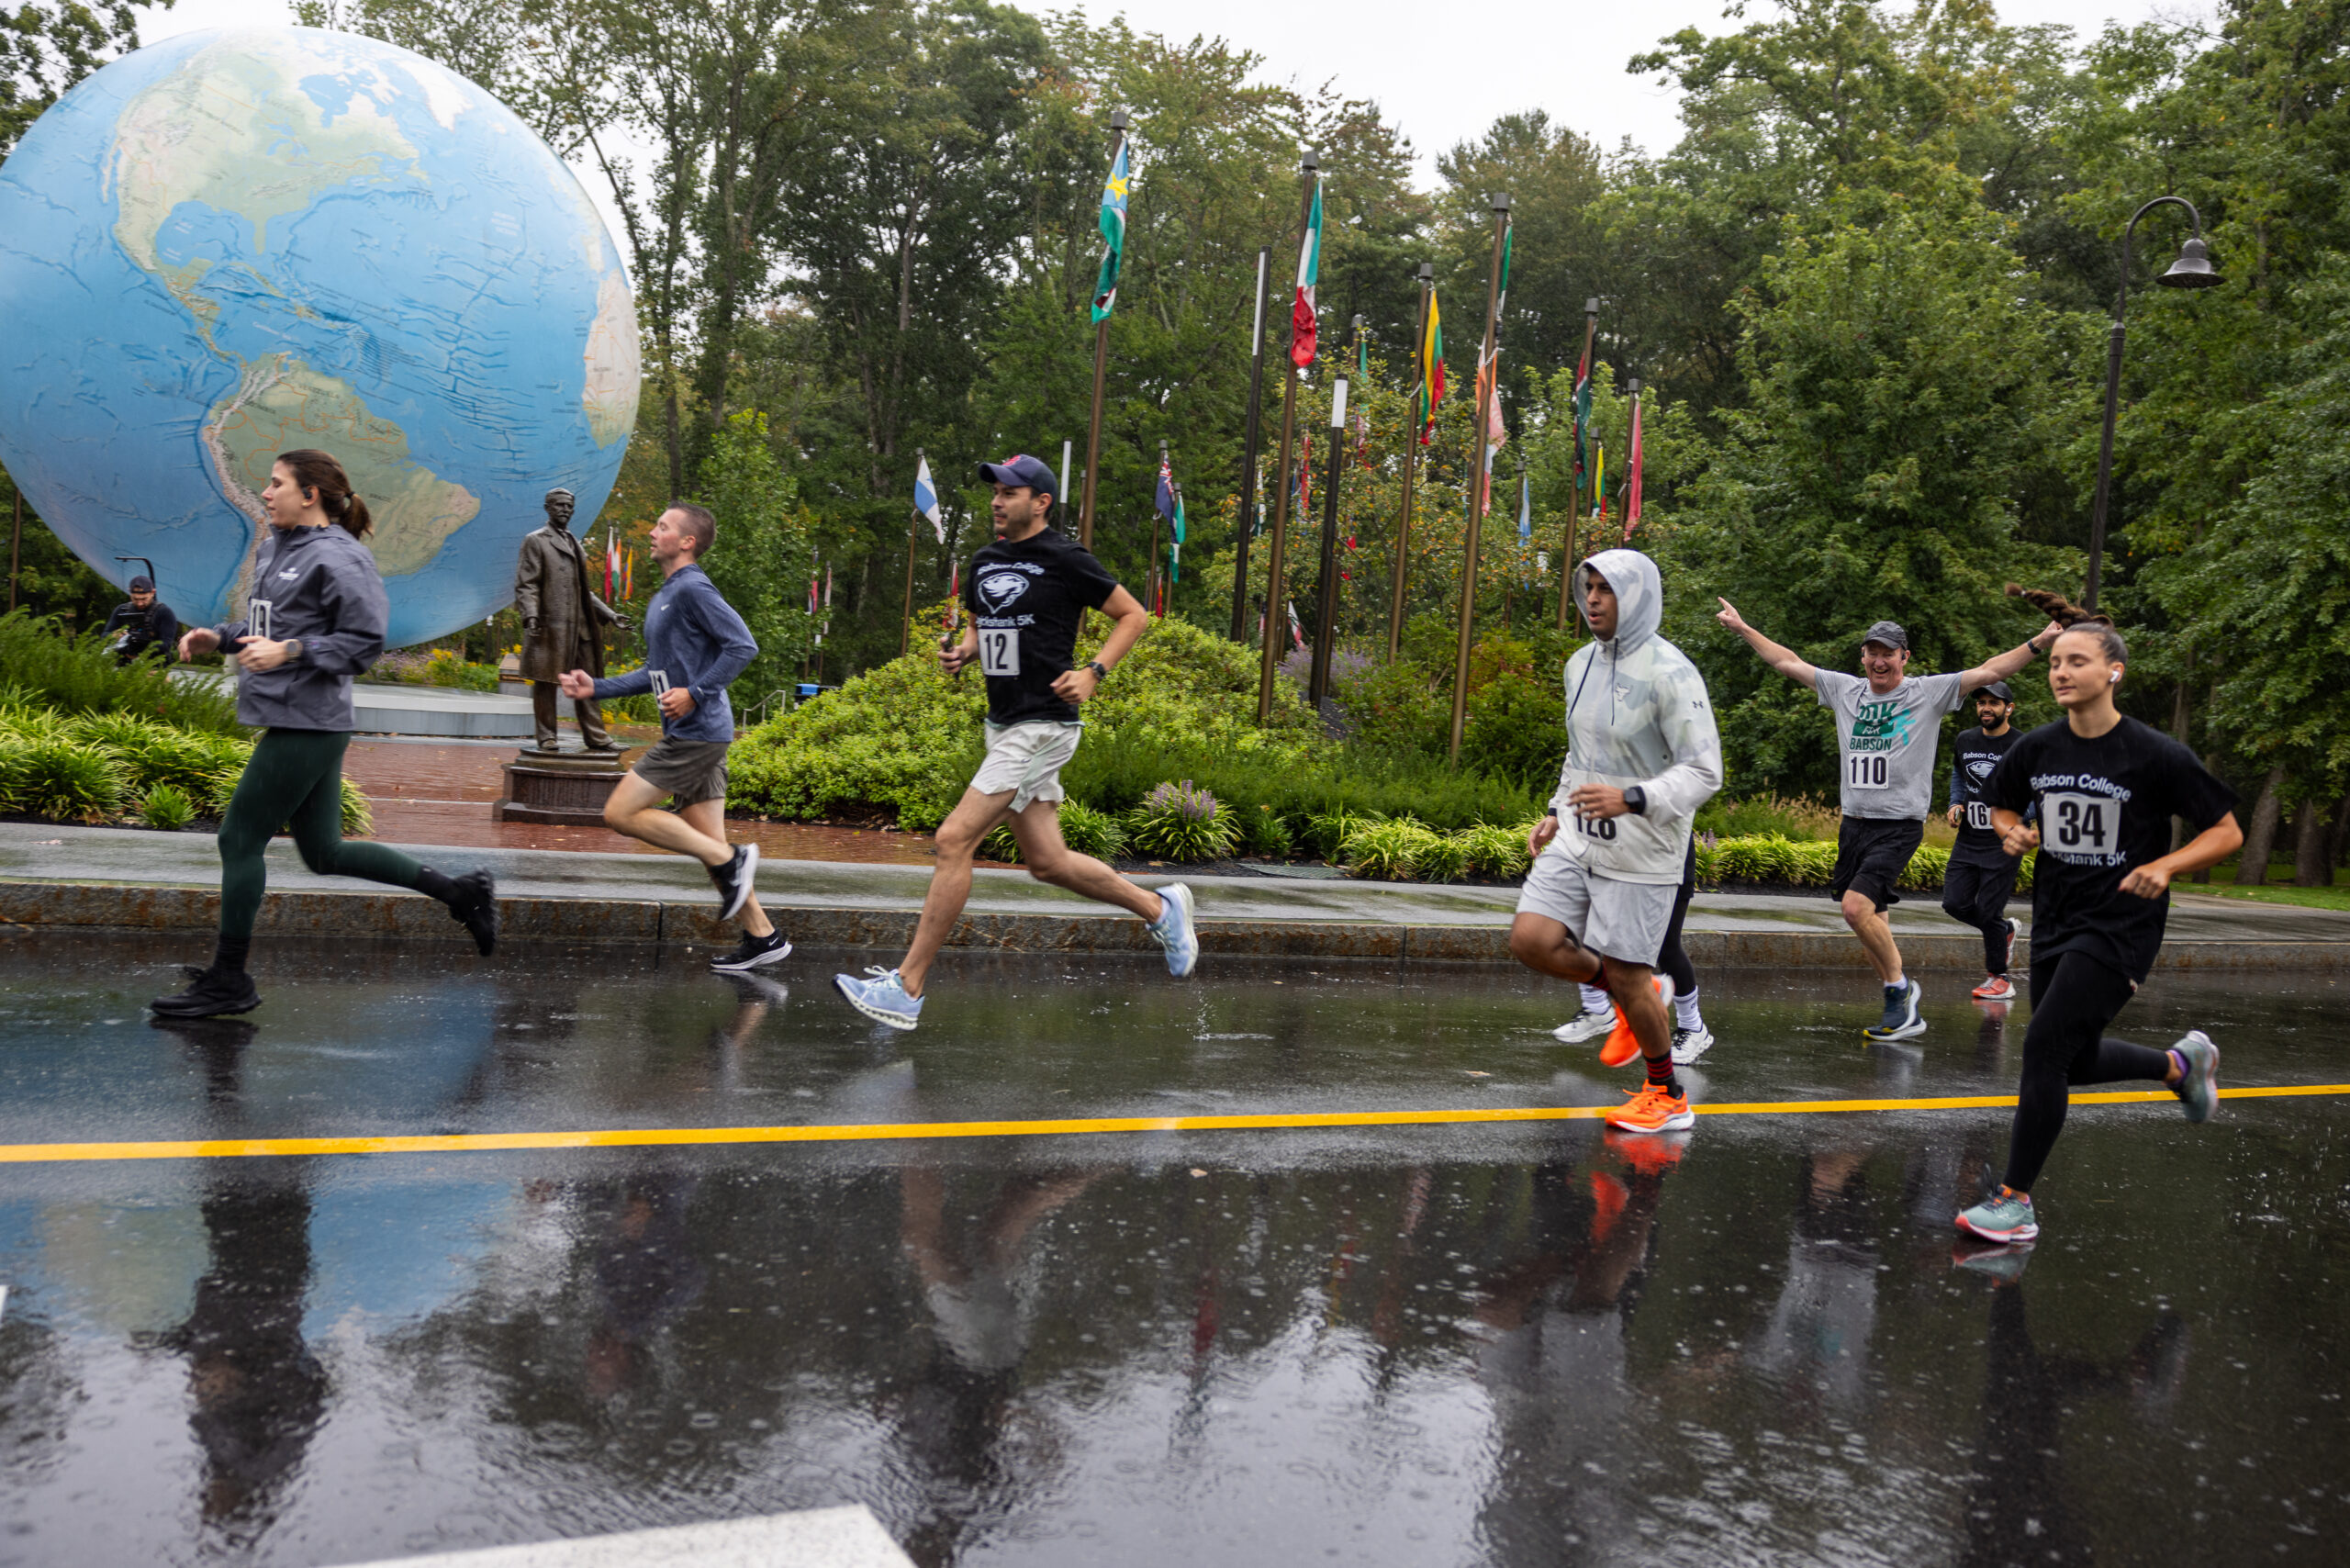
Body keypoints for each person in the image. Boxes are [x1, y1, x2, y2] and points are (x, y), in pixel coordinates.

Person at [834, 454, 1198, 1030]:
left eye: (1009, 492)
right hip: (1003, 722)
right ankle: (1160, 907)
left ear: (1041, 502)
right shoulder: (986, 560)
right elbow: (985, 628)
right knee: (1048, 863)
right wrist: (965, 652)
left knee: (954, 839)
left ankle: (906, 988)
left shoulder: (1067, 558)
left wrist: (1094, 673)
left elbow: (1133, 616)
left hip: (1045, 722)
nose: (997, 501)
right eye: (995, 492)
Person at [154, 449, 498, 1017]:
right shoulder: (274, 548)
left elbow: (364, 643)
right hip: (292, 716)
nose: (265, 493)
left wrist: (290, 651)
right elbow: (268, 629)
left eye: (275, 483)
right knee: (323, 852)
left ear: (309, 494)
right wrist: (220, 636)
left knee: (239, 840)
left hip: (308, 722)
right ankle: (463, 893)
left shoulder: (342, 558)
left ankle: (229, 979)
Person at [1953, 601, 2240, 1247]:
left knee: (2042, 1050)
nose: (2060, 672)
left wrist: (2166, 865)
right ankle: (2179, 1066)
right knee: (2071, 1061)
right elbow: (2001, 806)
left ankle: (2015, 1200)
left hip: (2121, 925)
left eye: (2076, 661)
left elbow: (2226, 832)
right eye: (2055, 663)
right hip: (2056, 917)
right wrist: (2015, 833)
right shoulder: (2038, 748)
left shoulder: (2153, 754)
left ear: (2114, 671)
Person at [1714, 603, 2061, 1041]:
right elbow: (1787, 662)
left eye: (1889, 653)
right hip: (1853, 824)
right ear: (1862, 656)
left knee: (1854, 908)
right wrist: (1744, 628)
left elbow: (1988, 670)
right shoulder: (1845, 690)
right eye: (1872, 652)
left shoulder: (1927, 693)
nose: (1880, 661)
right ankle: (1900, 1010)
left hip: (1897, 824)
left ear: (1904, 658)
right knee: (1872, 918)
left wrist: (2039, 643)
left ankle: (1902, 991)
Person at [1513, 550, 1722, 1135]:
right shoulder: (1579, 664)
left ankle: (1667, 1092)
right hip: (1579, 837)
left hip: (1644, 849)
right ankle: (1642, 994)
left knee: (1628, 974)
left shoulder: (1672, 673)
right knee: (1532, 939)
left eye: (1608, 590)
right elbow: (1582, 754)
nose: (1595, 600)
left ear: (1639, 598)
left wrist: (1632, 797)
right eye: (1590, 588)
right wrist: (1557, 810)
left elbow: (1705, 771)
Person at [557, 503, 789, 973]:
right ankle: (765, 937)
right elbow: (654, 672)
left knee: (620, 812)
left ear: (687, 541)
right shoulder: (667, 594)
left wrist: (696, 693)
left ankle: (735, 859)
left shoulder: (693, 588)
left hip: (696, 734)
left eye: (663, 526)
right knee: (706, 845)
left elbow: (743, 645)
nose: (652, 531)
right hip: (698, 732)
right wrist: (595, 688)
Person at [1551, 837, 1716, 1064]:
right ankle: (1596, 1007)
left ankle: (1693, 1027)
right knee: (1581, 923)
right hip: (1616, 857)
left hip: (1666, 861)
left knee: (1665, 947)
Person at [515, 487, 624, 754]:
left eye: (569, 506)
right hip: (550, 624)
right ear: (548, 508)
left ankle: (596, 736)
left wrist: (608, 614)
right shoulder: (536, 540)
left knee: (587, 681)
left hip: (581, 626)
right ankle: (547, 736)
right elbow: (527, 584)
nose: (565, 510)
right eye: (560, 505)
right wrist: (530, 614)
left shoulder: (574, 542)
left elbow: (582, 590)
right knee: (546, 681)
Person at [1944, 680, 2028, 1000]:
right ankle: (2003, 931)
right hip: (1968, 840)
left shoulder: (2022, 744)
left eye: (1994, 703)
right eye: (1981, 703)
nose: (1986, 708)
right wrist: (1955, 802)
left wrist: (2020, 818)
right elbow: (1959, 773)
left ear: (2009, 708)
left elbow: (2036, 787)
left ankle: (2000, 978)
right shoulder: (1965, 740)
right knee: (1954, 903)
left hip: (2003, 843)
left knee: (1989, 911)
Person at [103, 574, 179, 666]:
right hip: (122, 664)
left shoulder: (164, 613)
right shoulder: (122, 610)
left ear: (153, 593)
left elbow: (166, 644)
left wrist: (140, 651)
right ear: (130, 593)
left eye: (144, 599)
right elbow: (104, 636)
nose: (139, 603)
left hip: (153, 665)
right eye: (135, 599)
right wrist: (114, 636)